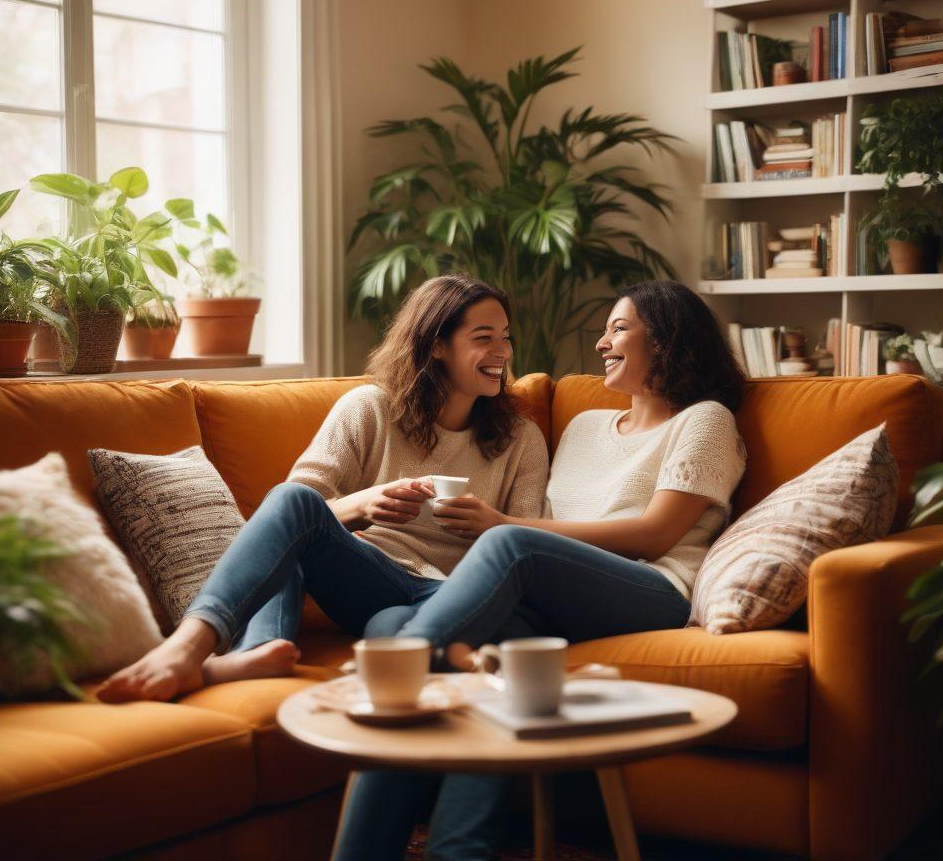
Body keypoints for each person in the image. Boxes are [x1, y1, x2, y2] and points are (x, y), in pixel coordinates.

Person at [334, 279, 749, 861]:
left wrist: (504, 526)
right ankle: (456, 851)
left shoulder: (704, 421)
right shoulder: (581, 429)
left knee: (503, 553)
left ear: (667, 341)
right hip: (552, 601)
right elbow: (542, 535)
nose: (602, 342)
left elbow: (656, 533)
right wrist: (514, 533)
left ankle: (394, 681)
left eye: (619, 328)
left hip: (649, 589)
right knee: (393, 622)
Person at [98, 274, 549, 704]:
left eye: (506, 336)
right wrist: (363, 505)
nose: (503, 351)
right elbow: (287, 521)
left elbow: (532, 543)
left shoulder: (521, 438)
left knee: (390, 627)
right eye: (484, 337)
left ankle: (242, 661)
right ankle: (197, 647)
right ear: (436, 346)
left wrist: (489, 525)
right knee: (292, 501)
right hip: (370, 573)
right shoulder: (368, 409)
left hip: (456, 593)